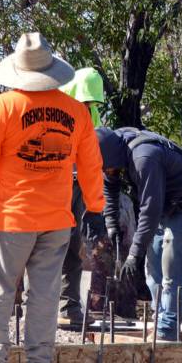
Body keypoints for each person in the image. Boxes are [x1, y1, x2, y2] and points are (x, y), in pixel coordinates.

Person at [0, 32, 106, 363]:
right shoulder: (76, 111)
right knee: (46, 296)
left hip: (11, 219)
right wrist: (95, 208)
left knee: (1, 293)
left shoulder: (2, 108)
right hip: (56, 221)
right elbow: (92, 166)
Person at [94, 127, 182, 341]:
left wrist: (134, 254)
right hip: (165, 205)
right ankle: (159, 320)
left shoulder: (144, 157)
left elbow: (149, 211)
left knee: (172, 266)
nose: (108, 171)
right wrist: (112, 224)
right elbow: (110, 187)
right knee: (153, 270)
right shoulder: (115, 147)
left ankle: (168, 328)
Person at [57, 67, 106, 326]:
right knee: (46, 246)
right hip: (55, 184)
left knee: (73, 247)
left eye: (91, 101)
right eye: (84, 100)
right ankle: (31, 306)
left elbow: (92, 156)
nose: (87, 106)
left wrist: (94, 203)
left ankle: (69, 307)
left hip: (78, 187)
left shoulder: (90, 113)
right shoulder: (56, 108)